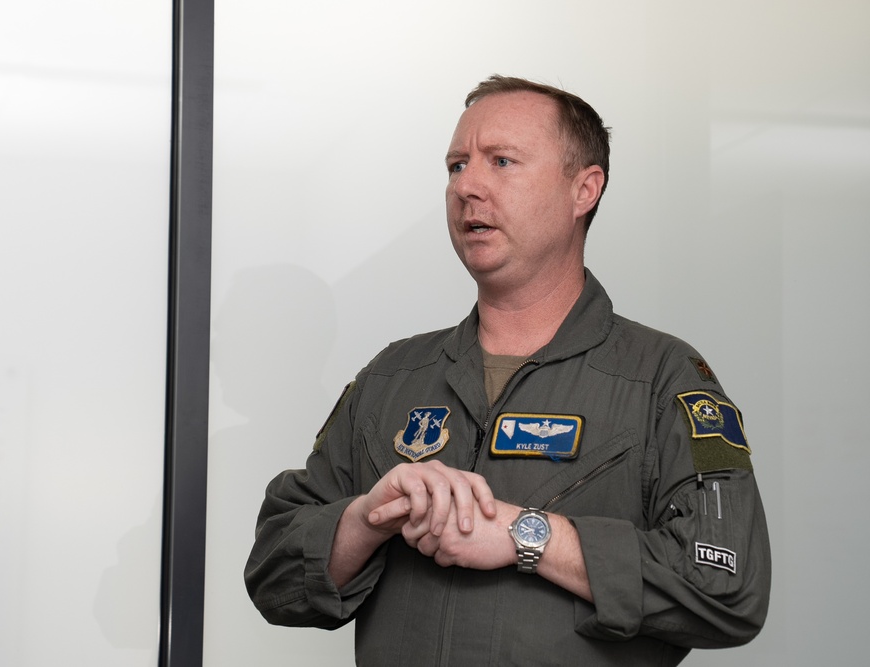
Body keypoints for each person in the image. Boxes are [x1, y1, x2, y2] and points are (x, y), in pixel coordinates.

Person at [244, 75, 770, 665]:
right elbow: (273, 574)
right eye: (456, 166)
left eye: (501, 161)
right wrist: (368, 516)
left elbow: (727, 587)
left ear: (584, 189)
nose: (468, 185)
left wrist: (530, 537)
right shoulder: (391, 378)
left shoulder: (663, 379)